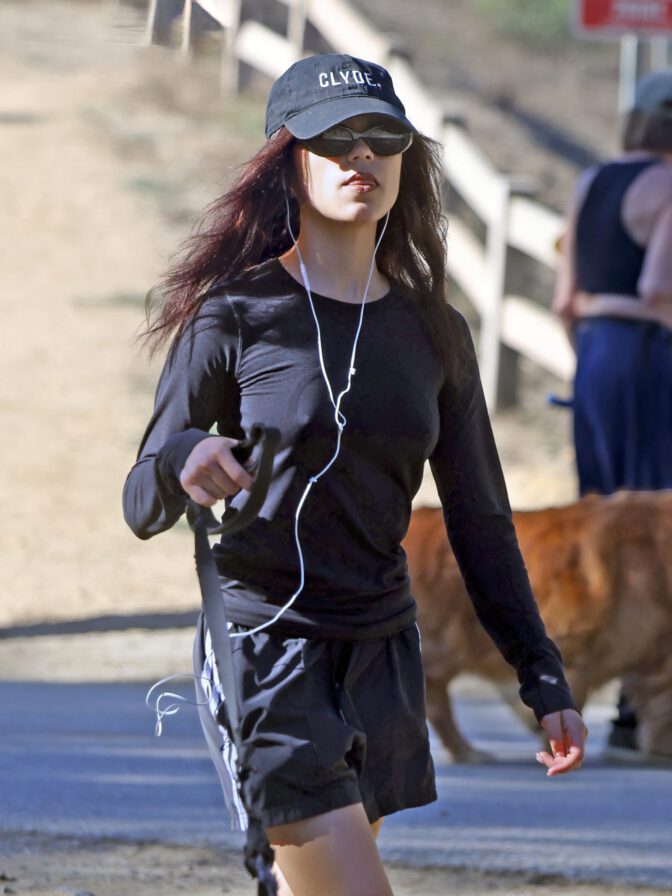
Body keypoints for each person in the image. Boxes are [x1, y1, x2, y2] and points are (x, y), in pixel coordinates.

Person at [124, 53, 587, 896]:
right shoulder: (236, 314)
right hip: (265, 649)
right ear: (287, 163)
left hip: (381, 654)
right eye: (334, 139)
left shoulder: (435, 333)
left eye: (381, 137)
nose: (360, 154)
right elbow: (140, 498)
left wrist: (540, 671)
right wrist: (185, 454)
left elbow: (481, 519)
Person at [553, 68, 672, 758]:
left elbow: (565, 302)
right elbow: (659, 288)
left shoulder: (591, 182)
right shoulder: (669, 185)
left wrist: (595, 350)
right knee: (656, 534)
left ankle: (596, 703)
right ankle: (644, 713)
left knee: (603, 527)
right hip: (651, 359)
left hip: (596, 359)